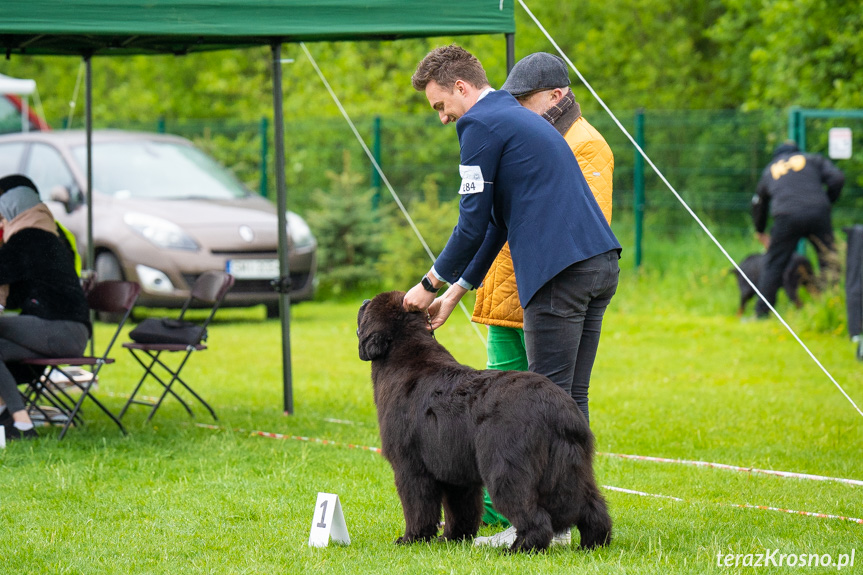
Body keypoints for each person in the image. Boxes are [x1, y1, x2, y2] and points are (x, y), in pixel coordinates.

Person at [403, 45, 621, 547]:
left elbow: (471, 221)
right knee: (567, 400)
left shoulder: (479, 126)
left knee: (534, 404)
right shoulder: (512, 116)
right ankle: (584, 522)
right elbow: (498, 222)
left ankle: (539, 524)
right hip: (598, 264)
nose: (442, 118)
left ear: (461, 87)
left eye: (441, 105)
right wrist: (459, 289)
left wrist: (429, 282)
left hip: (559, 271)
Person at [470, 51, 615, 528]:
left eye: (524, 100)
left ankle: (550, 516)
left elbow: (577, 225)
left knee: (556, 404)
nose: (515, 109)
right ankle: (502, 511)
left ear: (556, 96)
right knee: (498, 410)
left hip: (547, 286)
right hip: (507, 294)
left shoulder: (588, 144)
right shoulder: (531, 133)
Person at [0, 174, 91, 440]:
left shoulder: (29, 237)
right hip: (65, 331)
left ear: (12, 209)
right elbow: (17, 293)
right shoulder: (47, 235)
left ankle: (15, 418)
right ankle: (19, 425)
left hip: (58, 328)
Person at [751, 140, 844, 318]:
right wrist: (827, 201)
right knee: (829, 259)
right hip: (818, 213)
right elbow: (837, 178)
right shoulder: (812, 159)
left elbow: (758, 203)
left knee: (774, 263)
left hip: (786, 216)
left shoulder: (771, 169)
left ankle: (762, 313)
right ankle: (832, 307)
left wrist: (760, 230)